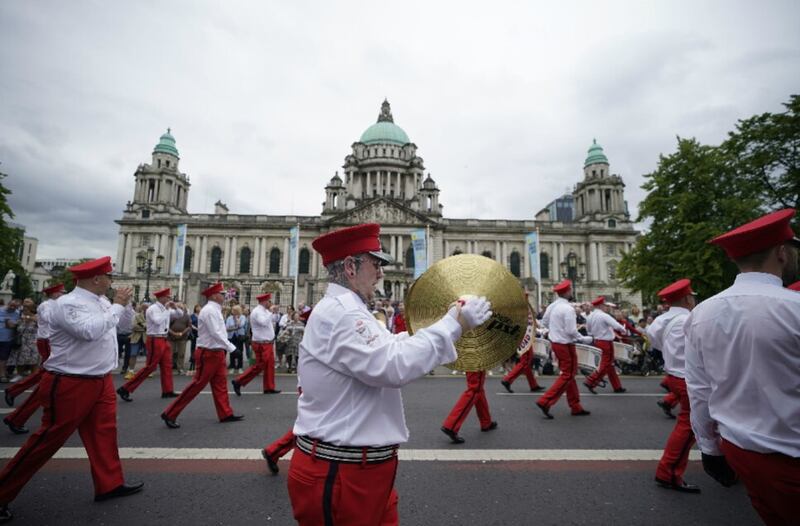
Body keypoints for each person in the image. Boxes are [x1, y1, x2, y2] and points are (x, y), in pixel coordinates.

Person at [288, 223, 491, 525]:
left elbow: (390, 346)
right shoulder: (344, 312)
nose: (382, 272)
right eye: (376, 262)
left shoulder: (349, 308)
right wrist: (453, 325)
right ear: (350, 267)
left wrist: (447, 321)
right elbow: (391, 366)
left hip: (363, 469)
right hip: (341, 472)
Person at [0, 257, 143, 523]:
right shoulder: (66, 304)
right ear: (97, 279)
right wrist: (117, 306)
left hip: (100, 379)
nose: (112, 282)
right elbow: (89, 332)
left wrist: (125, 307)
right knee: (47, 441)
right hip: (71, 381)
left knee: (104, 434)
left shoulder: (101, 302)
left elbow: (121, 328)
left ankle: (109, 484)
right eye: (109, 277)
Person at [685, 208, 800, 524]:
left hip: (739, 450)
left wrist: (709, 448)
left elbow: (699, 390)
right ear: (781, 253)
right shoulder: (794, 307)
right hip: (790, 454)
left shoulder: (701, 313)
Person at [160, 283, 244, 429]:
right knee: (197, 385)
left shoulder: (214, 309)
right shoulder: (210, 310)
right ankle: (170, 412)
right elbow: (215, 332)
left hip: (216, 352)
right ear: (213, 296)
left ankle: (225, 413)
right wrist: (231, 348)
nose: (224, 296)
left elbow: (219, 332)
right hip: (209, 352)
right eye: (222, 294)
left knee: (220, 385)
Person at [653, 278, 700, 493]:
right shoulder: (689, 319)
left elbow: (654, 339)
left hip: (673, 373)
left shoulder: (663, 319)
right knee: (690, 424)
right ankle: (668, 471)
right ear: (686, 298)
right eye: (692, 296)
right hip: (686, 376)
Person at [4, 284, 63, 421]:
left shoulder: (53, 304)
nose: (62, 294)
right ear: (54, 294)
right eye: (60, 292)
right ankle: (15, 397)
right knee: (49, 374)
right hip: (48, 341)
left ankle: (14, 393)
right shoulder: (47, 305)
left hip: (50, 340)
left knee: (46, 374)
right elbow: (51, 320)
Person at [535, 279, 593, 419]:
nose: (572, 291)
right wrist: (584, 339)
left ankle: (575, 406)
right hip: (565, 344)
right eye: (571, 289)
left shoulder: (553, 306)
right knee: (568, 374)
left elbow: (544, 322)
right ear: (567, 292)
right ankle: (545, 401)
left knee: (569, 375)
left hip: (557, 342)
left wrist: (554, 331)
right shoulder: (568, 309)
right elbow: (571, 330)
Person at [116, 288, 179, 401]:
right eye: (168, 297)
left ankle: (167, 390)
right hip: (155, 338)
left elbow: (179, 315)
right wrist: (167, 309)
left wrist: (175, 308)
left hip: (164, 338)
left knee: (167, 366)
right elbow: (157, 321)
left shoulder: (165, 309)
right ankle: (126, 388)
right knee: (150, 367)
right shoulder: (153, 309)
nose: (169, 299)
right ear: (161, 298)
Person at [232, 293, 279, 396]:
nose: (270, 303)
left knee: (269, 366)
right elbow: (263, 322)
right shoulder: (257, 312)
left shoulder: (265, 311)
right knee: (260, 366)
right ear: (265, 301)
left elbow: (274, 320)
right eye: (269, 301)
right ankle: (238, 381)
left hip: (268, 342)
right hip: (262, 343)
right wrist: (271, 312)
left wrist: (273, 313)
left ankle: (269, 387)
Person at [646, 298, 684, 419]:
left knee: (684, 387)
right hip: (683, 364)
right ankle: (668, 399)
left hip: (672, 360)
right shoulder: (685, 317)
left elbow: (651, 334)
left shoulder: (662, 318)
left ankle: (668, 400)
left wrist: (663, 348)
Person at [583, 296, 627, 394]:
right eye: (604, 305)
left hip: (598, 340)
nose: (606, 307)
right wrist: (623, 330)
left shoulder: (590, 316)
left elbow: (588, 330)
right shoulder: (604, 315)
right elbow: (616, 325)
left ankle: (617, 386)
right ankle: (591, 381)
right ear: (600, 305)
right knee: (606, 364)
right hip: (606, 342)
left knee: (610, 365)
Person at [441, 370, 497, 444]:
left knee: (479, 390)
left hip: (472, 360)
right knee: (475, 390)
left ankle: (486, 422)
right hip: (476, 361)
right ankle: (451, 426)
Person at [0, 299, 21, 383]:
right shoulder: (0, 310)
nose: (12, 307)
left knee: (3, 358)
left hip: (7, 339)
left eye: (15, 306)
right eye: (11, 305)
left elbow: (18, 325)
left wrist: (15, 324)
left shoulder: (17, 313)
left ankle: (2, 375)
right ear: (8, 303)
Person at [125, 303, 147, 377]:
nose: (145, 309)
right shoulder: (136, 316)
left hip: (146, 338)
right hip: (136, 338)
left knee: (148, 354)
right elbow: (134, 326)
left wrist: (141, 325)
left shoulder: (151, 316)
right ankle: (131, 371)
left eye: (147, 308)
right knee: (133, 354)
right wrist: (145, 327)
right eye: (144, 308)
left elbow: (152, 327)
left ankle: (148, 370)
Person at [169, 303, 191, 375]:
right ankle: (169, 367)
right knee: (170, 353)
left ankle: (180, 368)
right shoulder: (171, 315)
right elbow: (166, 326)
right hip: (171, 337)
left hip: (182, 337)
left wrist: (182, 333)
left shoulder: (187, 316)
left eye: (181, 308)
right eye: (178, 307)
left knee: (181, 353)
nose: (180, 309)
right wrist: (173, 333)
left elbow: (189, 326)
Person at [225, 305, 246, 374]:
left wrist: (237, 319)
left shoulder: (243, 317)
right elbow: (227, 328)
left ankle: (239, 367)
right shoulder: (229, 318)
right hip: (231, 336)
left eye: (234, 310)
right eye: (232, 310)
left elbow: (240, 325)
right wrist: (235, 328)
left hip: (239, 336)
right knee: (232, 351)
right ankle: (232, 366)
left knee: (240, 351)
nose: (233, 312)